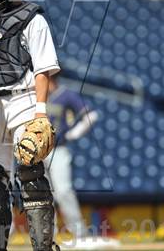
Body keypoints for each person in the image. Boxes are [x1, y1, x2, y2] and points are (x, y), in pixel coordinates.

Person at [0, 0, 61, 251]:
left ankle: (43, 246)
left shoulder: (33, 18)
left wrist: (41, 112)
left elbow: (44, 70)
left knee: (31, 175)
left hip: (23, 100)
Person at [44, 77, 99, 239]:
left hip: (58, 149)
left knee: (63, 191)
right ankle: (47, 237)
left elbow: (91, 115)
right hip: (38, 153)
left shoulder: (66, 94)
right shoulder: (35, 95)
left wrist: (73, 134)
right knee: (43, 195)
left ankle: (80, 234)